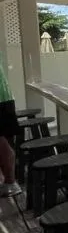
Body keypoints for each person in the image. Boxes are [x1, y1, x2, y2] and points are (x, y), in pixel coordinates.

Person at [0, 58, 21, 197]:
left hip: (2, 99)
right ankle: (10, 182)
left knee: (3, 144)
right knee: (6, 140)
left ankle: (10, 182)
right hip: (5, 97)